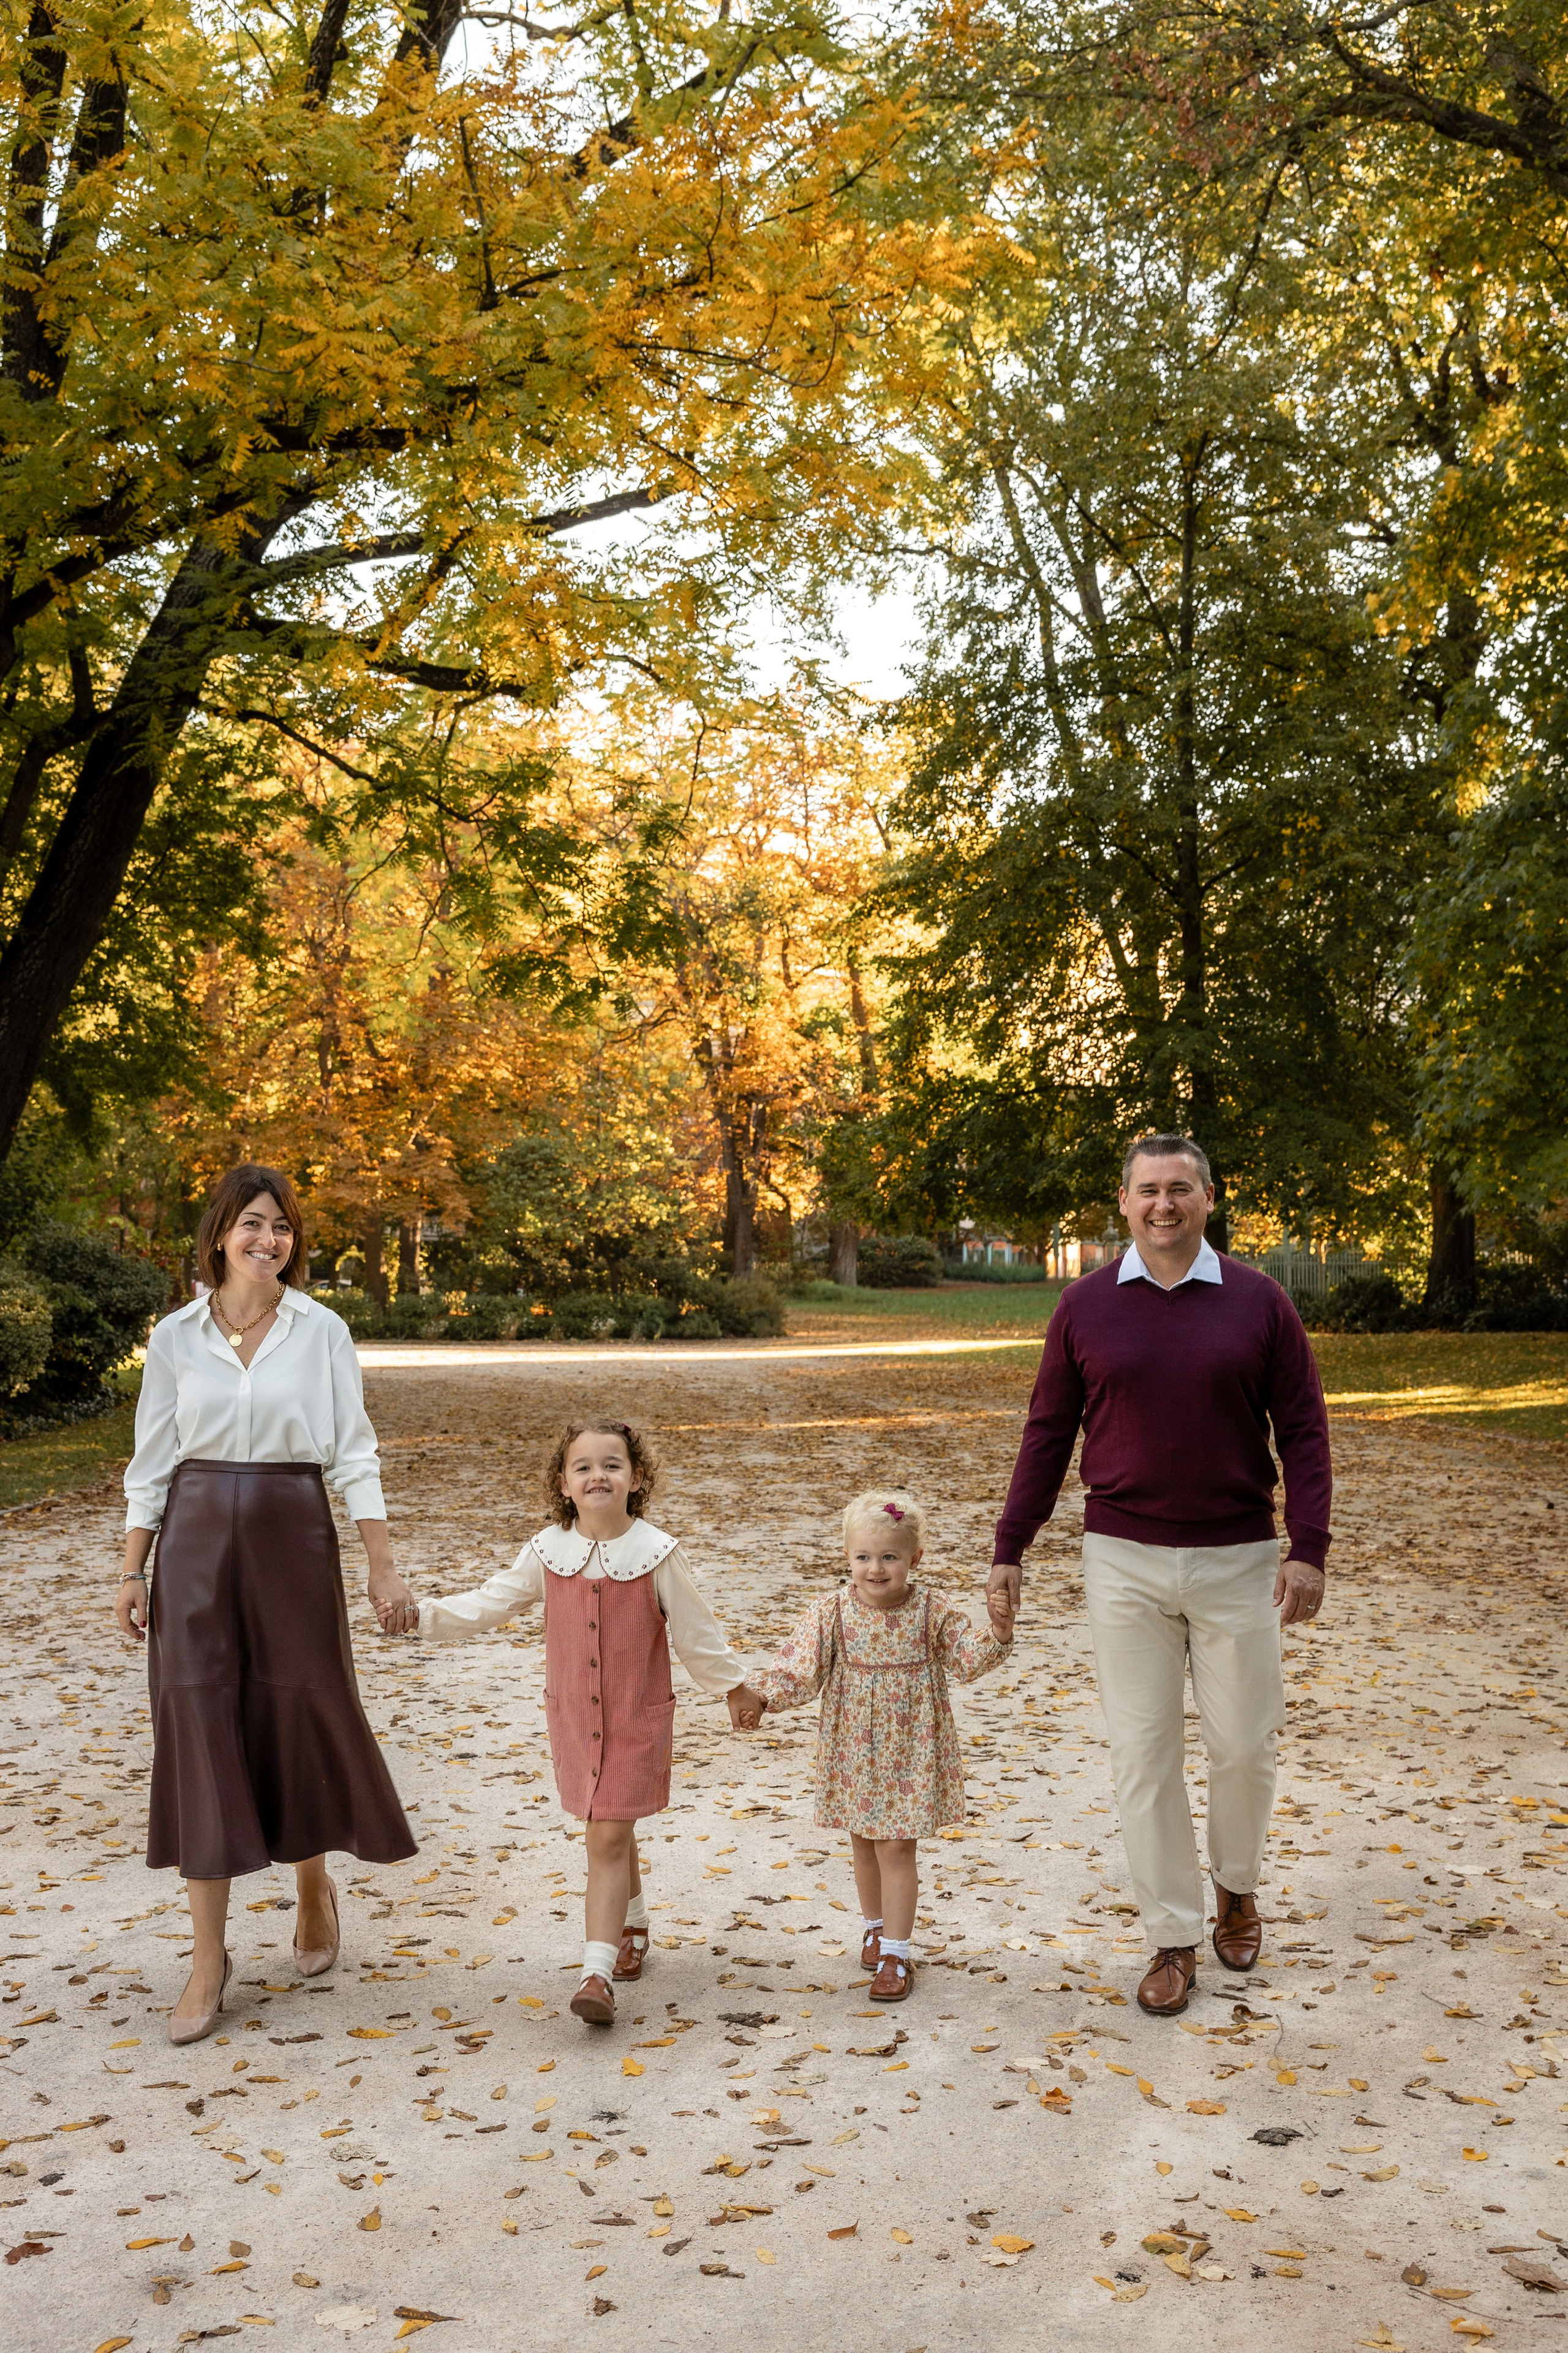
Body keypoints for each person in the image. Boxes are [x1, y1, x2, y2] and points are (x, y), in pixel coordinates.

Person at [987, 1133, 1332, 2019]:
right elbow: (1047, 1431)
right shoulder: (1086, 1305)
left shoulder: (1258, 1302)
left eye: (1181, 1189)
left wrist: (1308, 1545)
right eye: (1148, 1190)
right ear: (1124, 1199)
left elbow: (1302, 1428)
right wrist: (1010, 1546)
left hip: (1239, 1559)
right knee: (1145, 1753)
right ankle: (1173, 1935)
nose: (1164, 1205)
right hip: (1124, 1558)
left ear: (1209, 1199)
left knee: (1244, 1744)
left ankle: (1238, 1890)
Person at [116, 1165, 418, 2046]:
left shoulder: (322, 1331)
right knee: (198, 1720)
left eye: (282, 1227)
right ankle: (208, 1956)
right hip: (198, 1542)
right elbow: (151, 1464)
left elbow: (354, 1451)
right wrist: (135, 1571)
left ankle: (313, 1879)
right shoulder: (175, 1337)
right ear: (220, 1234)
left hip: (293, 1532)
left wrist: (381, 1565)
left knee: (298, 1707)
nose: (268, 1240)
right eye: (253, 1223)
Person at [413, 1415, 766, 2026]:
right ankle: (632, 1926)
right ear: (563, 1482)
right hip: (575, 1721)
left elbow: (696, 1632)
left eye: (612, 1464)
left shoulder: (657, 1554)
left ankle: (596, 1973)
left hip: (635, 1723)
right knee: (610, 1829)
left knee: (604, 1835)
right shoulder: (547, 1552)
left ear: (635, 1478)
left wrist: (734, 1688)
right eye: (583, 1466)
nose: (597, 1474)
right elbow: (489, 1602)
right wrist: (422, 1615)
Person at [744, 1489, 1012, 2003]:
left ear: (915, 1558)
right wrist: (760, 1696)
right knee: (864, 1842)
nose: (876, 1568)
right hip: (853, 1750)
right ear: (848, 1557)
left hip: (911, 1747)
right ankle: (874, 1927)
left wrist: (997, 1633)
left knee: (895, 1845)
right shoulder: (833, 1611)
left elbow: (966, 1658)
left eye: (889, 1556)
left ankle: (897, 1951)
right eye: (864, 1556)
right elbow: (799, 1670)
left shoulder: (932, 1609)